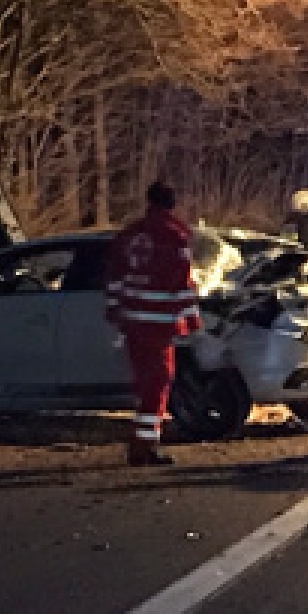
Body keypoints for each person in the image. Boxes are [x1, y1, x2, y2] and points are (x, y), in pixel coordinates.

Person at [106, 181, 203, 466]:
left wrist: (116, 310)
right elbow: (182, 284)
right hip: (159, 325)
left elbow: (114, 276)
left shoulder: (129, 235)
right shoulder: (175, 237)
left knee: (145, 383)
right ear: (172, 205)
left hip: (132, 323)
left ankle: (143, 443)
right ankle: (145, 446)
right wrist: (193, 322)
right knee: (158, 383)